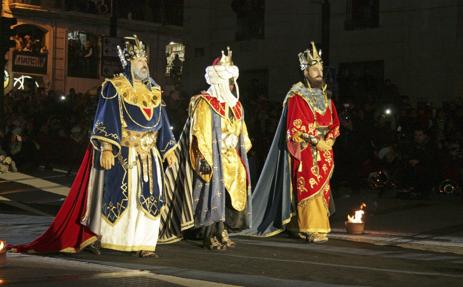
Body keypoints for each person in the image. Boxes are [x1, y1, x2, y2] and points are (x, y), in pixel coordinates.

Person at [11, 35, 177, 258]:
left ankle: (145, 242)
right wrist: (107, 148)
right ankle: (109, 238)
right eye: (138, 61)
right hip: (123, 152)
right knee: (117, 196)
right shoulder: (114, 88)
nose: (144, 64)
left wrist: (169, 149)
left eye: (144, 60)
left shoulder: (155, 90)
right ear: (129, 64)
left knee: (149, 199)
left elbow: (163, 122)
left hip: (149, 157)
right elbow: (106, 118)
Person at [160, 47, 252, 250]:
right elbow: (199, 134)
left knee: (229, 196)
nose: (230, 85)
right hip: (212, 156)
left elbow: (242, 134)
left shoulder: (236, 106)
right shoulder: (204, 103)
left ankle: (223, 229)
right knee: (212, 195)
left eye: (231, 80)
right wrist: (205, 160)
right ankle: (209, 233)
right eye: (227, 80)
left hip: (231, 157)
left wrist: (236, 147)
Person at [248, 42, 340, 243]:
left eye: (321, 69)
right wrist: (317, 141)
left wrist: (330, 140)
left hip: (325, 150)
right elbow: (296, 128)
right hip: (307, 149)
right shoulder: (297, 97)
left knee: (322, 189)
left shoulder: (326, 96)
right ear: (305, 71)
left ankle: (305, 224)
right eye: (315, 69)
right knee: (309, 187)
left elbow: (334, 122)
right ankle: (311, 228)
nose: (319, 73)